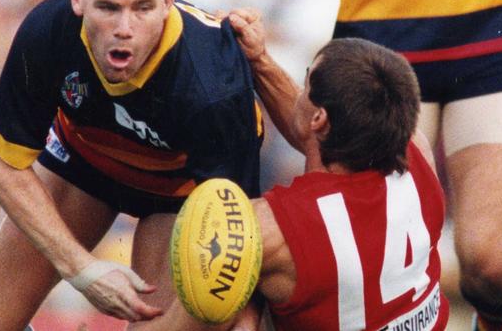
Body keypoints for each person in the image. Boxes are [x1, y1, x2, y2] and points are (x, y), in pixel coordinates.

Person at [0, 0, 263, 330]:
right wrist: (81, 269)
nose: (124, 29)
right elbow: (3, 164)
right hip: (84, 163)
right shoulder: (48, 30)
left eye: (143, 8)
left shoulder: (214, 83)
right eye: (108, 8)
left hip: (179, 196)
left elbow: (238, 237)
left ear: (168, 4)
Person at [159, 35, 450, 331]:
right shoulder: (417, 151)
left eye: (306, 81)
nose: (298, 92)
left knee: (239, 314)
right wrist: (259, 61)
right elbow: (316, 131)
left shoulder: (269, 229)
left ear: (320, 118)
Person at [332, 0, 502, 330]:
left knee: (495, 269)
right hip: (377, 35)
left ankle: (496, 324)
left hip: (492, 26)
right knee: (377, 264)